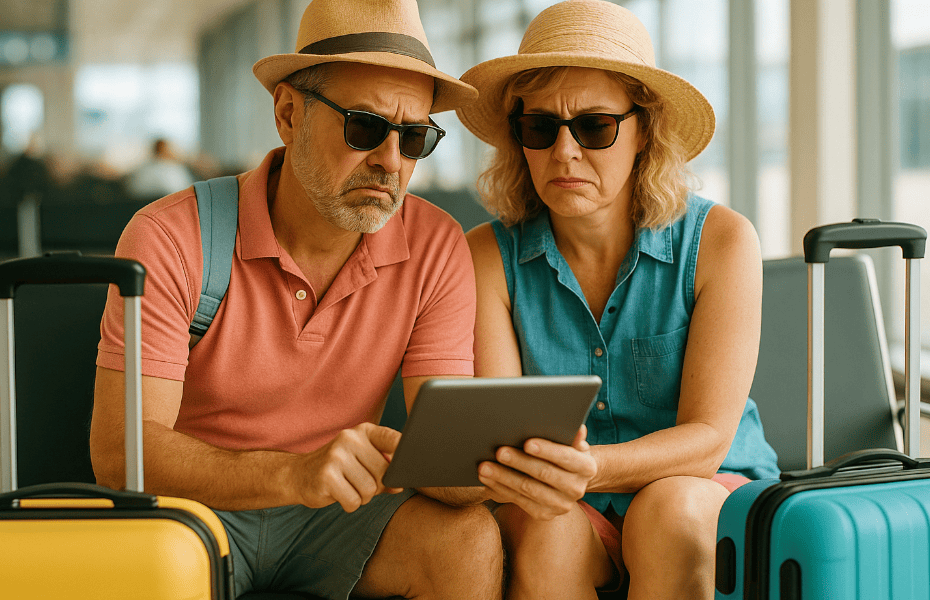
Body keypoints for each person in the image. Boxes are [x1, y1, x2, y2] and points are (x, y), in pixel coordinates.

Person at [90, 1, 505, 598]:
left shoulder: (435, 244)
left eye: (414, 137)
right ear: (288, 114)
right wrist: (294, 474)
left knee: (468, 539)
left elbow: (443, 459)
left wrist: (507, 467)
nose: (390, 161)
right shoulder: (172, 237)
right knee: (153, 570)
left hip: (340, 512)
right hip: (192, 510)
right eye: (365, 127)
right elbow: (120, 454)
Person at [455, 2, 780, 599]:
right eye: (540, 127)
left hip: (705, 489)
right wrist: (560, 477)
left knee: (670, 512)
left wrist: (594, 467)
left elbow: (708, 440)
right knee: (543, 529)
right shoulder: (485, 256)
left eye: (595, 126)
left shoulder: (723, 241)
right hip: (563, 499)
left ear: (643, 132)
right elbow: (504, 437)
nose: (564, 152)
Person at [125, 138, 196, 202]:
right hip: (170, 206)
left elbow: (132, 190)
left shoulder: (142, 170)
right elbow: (186, 193)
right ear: (167, 150)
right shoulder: (174, 170)